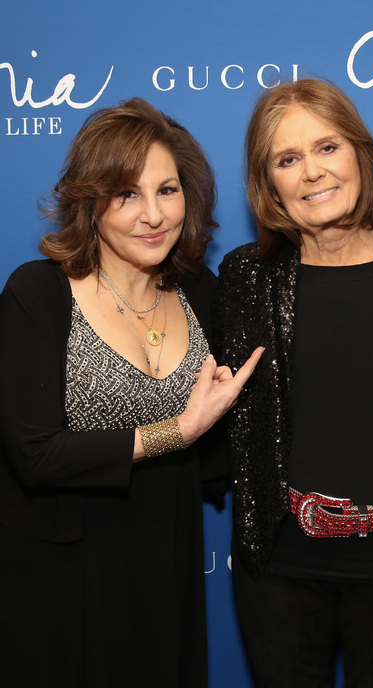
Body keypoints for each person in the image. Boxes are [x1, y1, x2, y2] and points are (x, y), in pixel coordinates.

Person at [0, 98, 262, 688]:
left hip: (163, 559)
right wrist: (177, 431)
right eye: (126, 194)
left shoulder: (201, 292)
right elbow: (35, 454)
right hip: (58, 574)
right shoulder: (37, 292)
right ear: (90, 205)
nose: (153, 214)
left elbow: (293, 308)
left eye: (167, 190)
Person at [214, 78, 373, 687]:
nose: (312, 172)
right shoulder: (245, 276)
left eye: (328, 148)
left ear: (360, 154)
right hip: (282, 569)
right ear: (268, 185)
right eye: (287, 159)